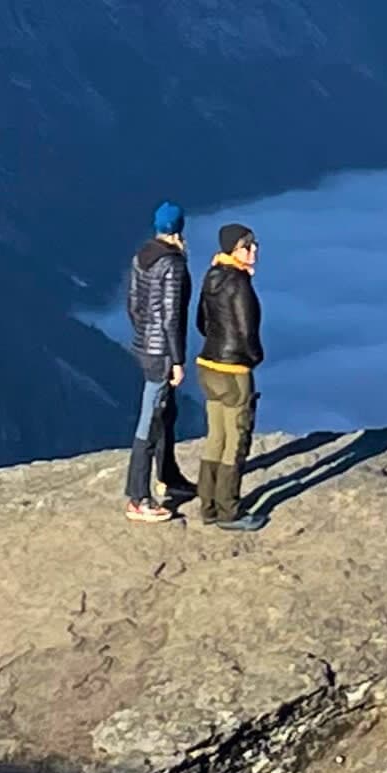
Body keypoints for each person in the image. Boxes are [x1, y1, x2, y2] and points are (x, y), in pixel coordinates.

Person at [124, 202, 193, 519]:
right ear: (179, 229)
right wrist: (177, 360)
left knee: (166, 413)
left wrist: (143, 336)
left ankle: (169, 477)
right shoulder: (172, 263)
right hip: (162, 352)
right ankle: (138, 498)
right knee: (151, 419)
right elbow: (171, 317)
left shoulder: (142, 255)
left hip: (144, 346)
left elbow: (133, 304)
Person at [193, 222, 263, 530]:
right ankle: (228, 511)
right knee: (236, 440)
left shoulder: (212, 276)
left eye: (254, 244)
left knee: (216, 437)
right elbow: (247, 331)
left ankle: (207, 506)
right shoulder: (240, 283)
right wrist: (254, 357)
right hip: (234, 371)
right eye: (247, 246)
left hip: (207, 365)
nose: (254, 250)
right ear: (234, 250)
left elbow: (201, 322)